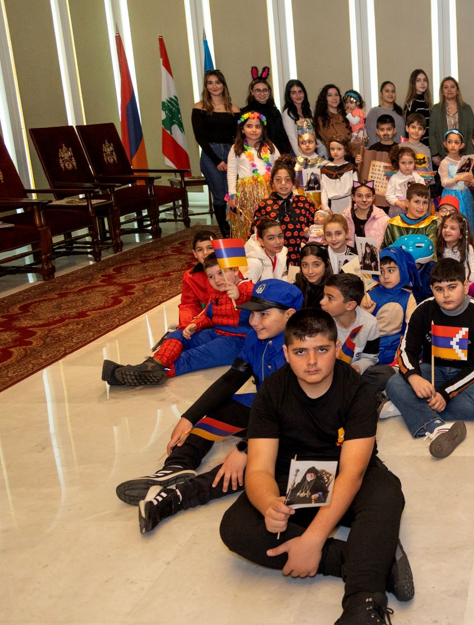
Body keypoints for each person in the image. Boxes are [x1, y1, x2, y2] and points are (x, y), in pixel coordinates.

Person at [218, 310, 411, 625]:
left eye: (321, 349)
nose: (311, 361)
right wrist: (269, 504)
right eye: (300, 351)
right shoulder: (272, 392)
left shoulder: (357, 390)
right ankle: (369, 558)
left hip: (345, 473)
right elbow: (259, 469)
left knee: (387, 495)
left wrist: (313, 539)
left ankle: (362, 604)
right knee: (237, 528)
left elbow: (353, 472)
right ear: (286, 354)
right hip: (298, 477)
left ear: (336, 350)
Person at [117, 280, 303, 533]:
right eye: (252, 313)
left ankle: (177, 497)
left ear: (290, 315)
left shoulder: (302, 350)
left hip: (292, 424)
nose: (254, 321)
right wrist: (189, 417)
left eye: (264, 314)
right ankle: (175, 468)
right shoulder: (256, 337)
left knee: (242, 467)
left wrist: (246, 447)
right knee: (217, 412)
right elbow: (231, 379)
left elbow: (291, 412)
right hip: (264, 409)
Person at [384, 258, 474, 458]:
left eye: (452, 287)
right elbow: (405, 350)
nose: (446, 295)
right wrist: (413, 377)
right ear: (431, 289)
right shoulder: (423, 310)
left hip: (468, 377)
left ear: (466, 286)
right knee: (394, 382)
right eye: (439, 289)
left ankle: (410, 407)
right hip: (433, 371)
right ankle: (435, 426)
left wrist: (445, 393)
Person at [102, 254, 254, 386]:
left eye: (221, 273)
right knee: (177, 335)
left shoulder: (246, 287)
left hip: (238, 341)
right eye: (211, 276)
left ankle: (149, 373)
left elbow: (255, 295)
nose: (217, 280)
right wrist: (195, 324)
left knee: (195, 355)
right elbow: (208, 315)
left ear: (235, 270)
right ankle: (153, 365)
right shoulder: (216, 293)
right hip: (216, 332)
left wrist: (238, 295)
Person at [321, 273, 395, 392]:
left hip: (352, 374)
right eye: (324, 295)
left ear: (350, 305)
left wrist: (357, 368)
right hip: (327, 372)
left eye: (329, 298)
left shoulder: (369, 323)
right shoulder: (321, 322)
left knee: (386, 374)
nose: (322, 302)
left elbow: (370, 358)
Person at [192, 69, 240, 236]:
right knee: (220, 196)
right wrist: (217, 160)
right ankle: (225, 231)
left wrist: (232, 159)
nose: (214, 86)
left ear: (223, 85)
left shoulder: (234, 109)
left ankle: (235, 228)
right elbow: (199, 137)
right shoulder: (199, 108)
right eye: (210, 83)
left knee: (233, 194)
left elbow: (238, 137)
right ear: (206, 86)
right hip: (210, 155)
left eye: (217, 82)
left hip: (231, 153)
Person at [252, 158, 316, 268]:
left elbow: (315, 230)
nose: (283, 183)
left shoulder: (305, 203)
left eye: (287, 179)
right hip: (274, 259)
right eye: (278, 180)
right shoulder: (264, 205)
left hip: (301, 257)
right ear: (272, 182)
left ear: (293, 182)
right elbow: (255, 235)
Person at [227, 112, 280, 240]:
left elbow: (278, 168)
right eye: (249, 126)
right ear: (242, 129)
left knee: (266, 220)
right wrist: (232, 194)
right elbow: (231, 172)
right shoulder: (236, 148)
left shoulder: (270, 147)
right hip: (246, 192)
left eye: (258, 126)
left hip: (267, 191)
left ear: (262, 129)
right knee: (247, 222)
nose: (254, 130)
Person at [365, 247, 419, 367]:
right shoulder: (369, 295)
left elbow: (413, 325)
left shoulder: (408, 297)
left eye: (391, 270)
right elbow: (360, 326)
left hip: (398, 343)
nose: (386, 276)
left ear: (402, 270)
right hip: (375, 344)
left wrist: (403, 348)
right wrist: (366, 313)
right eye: (382, 271)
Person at [242, 68, 290, 155]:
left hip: (275, 153)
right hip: (253, 154)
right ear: (252, 92)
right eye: (258, 91)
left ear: (269, 92)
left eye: (265, 90)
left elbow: (282, 137)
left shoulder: (275, 112)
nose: (262, 94)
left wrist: (284, 154)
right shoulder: (246, 112)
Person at [429, 76, 474, 162]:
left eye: (452, 87)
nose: (449, 90)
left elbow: (471, 132)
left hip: (463, 156)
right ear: (442, 92)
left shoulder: (466, 109)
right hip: (442, 156)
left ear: (457, 91)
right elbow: (432, 133)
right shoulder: (436, 109)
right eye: (446, 87)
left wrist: (468, 155)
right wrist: (434, 154)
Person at [178, 231, 217, 329]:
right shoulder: (190, 276)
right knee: (177, 338)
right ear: (194, 254)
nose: (205, 253)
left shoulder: (230, 270)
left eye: (210, 248)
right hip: (202, 321)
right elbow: (188, 305)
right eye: (200, 250)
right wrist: (189, 325)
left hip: (228, 320)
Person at [382, 182, 438, 248]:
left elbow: (431, 250)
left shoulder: (430, 223)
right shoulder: (394, 224)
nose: (421, 207)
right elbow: (386, 251)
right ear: (407, 203)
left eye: (425, 202)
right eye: (417, 202)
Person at [439, 129, 474, 224]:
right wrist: (459, 178)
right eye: (450, 142)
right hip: (450, 196)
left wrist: (470, 182)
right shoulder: (445, 162)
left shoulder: (465, 161)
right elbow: (444, 183)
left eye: (456, 142)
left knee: (465, 221)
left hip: (464, 196)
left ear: (462, 145)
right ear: (445, 144)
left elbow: (466, 183)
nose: (453, 145)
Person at [436, 212, 474, 281]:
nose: (447, 230)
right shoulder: (439, 246)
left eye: (452, 228)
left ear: (461, 234)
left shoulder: (467, 248)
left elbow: (471, 272)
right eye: (445, 227)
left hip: (463, 282)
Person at [343, 182, 389, 251]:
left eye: (368, 196)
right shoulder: (344, 218)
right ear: (353, 197)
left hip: (375, 261)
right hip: (349, 260)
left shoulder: (384, 220)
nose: (364, 200)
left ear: (373, 197)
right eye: (359, 196)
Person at [320, 136, 359, 214]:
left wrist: (355, 203)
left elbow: (356, 187)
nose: (335, 152)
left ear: (345, 150)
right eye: (332, 149)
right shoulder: (325, 169)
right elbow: (323, 190)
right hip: (331, 205)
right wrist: (325, 206)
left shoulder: (350, 168)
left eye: (339, 149)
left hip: (348, 202)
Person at [384, 146, 425, 218]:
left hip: (414, 210)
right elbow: (389, 195)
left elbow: (423, 195)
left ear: (415, 162)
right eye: (403, 163)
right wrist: (399, 203)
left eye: (410, 162)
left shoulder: (419, 179)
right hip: (397, 210)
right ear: (398, 163)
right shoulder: (394, 178)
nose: (407, 166)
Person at [246, 219, 290, 283]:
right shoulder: (254, 262)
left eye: (280, 236)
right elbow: (247, 290)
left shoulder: (281, 256)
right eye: (271, 238)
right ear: (261, 241)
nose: (278, 242)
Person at [281, 79, 317, 157]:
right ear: (289, 95)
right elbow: (292, 138)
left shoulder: (308, 109)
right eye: (294, 93)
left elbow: (313, 132)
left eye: (300, 92)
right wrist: (302, 158)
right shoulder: (287, 113)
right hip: (297, 152)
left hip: (311, 150)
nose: (298, 96)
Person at [365, 81, 404, 146]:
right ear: (381, 94)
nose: (390, 94)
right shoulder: (374, 112)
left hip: (398, 152)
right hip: (380, 152)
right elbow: (371, 136)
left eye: (393, 91)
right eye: (387, 91)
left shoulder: (400, 112)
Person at [295, 243, 333, 309]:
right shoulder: (296, 289)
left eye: (316, 265)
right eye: (305, 265)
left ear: (327, 263)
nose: (310, 271)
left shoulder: (333, 290)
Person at [402, 114, 434, 192]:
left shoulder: (426, 149)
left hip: (423, 187)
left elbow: (429, 170)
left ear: (424, 132)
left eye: (420, 128)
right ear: (407, 128)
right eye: (413, 127)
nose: (416, 131)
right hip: (404, 187)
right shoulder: (400, 147)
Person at [313, 84, 350, 150]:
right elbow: (334, 142)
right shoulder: (322, 120)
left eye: (336, 95)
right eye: (330, 95)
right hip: (337, 157)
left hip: (356, 156)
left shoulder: (346, 115)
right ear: (324, 98)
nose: (334, 98)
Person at [403, 69, 432, 147]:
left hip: (428, 146)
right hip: (417, 146)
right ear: (413, 83)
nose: (422, 83)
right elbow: (409, 129)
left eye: (424, 80)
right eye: (418, 80)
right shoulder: (411, 103)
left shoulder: (427, 102)